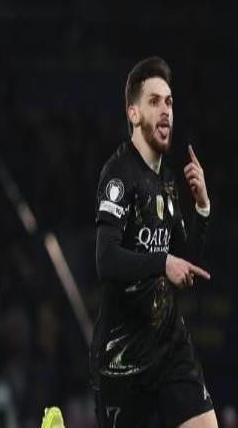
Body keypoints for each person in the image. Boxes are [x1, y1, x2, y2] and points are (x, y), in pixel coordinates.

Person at [90, 56, 217, 428]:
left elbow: (186, 259)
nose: (166, 110)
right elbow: (106, 259)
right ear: (133, 114)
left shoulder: (168, 181)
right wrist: (162, 262)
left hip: (170, 347)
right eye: (155, 101)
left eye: (170, 102)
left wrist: (203, 207)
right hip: (123, 356)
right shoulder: (119, 174)